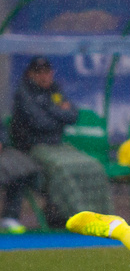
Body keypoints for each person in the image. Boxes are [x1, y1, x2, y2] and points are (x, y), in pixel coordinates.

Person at [10, 56, 111, 225]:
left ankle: (104, 218)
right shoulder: (23, 93)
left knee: (93, 166)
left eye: (47, 72)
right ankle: (80, 219)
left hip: (58, 145)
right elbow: (39, 123)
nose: (44, 76)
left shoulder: (55, 90)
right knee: (62, 169)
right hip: (34, 147)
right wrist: (56, 111)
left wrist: (48, 108)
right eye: (39, 72)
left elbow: (73, 115)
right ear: (30, 74)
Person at [0, 118, 42, 233]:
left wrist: (2, 142)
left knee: (20, 168)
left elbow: (2, 130)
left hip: (3, 154)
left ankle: (10, 216)